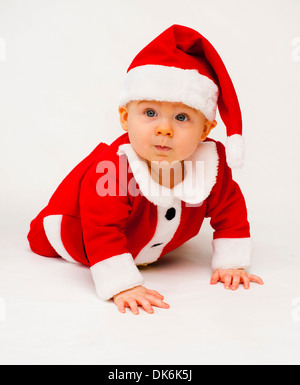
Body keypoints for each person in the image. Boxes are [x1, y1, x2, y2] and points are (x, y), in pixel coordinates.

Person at [27, 25, 263, 315]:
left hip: (149, 248)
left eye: (182, 117)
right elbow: (101, 229)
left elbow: (231, 211)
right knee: (55, 235)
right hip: (78, 237)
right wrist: (122, 284)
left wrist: (232, 263)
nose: (164, 129)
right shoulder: (112, 170)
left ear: (206, 129)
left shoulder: (211, 165)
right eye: (150, 113)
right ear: (126, 118)